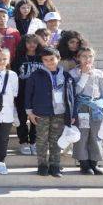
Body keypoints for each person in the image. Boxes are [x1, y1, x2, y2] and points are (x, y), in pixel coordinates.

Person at [25, 47, 76, 178]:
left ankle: (55, 165)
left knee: (56, 140)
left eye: (52, 59)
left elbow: (72, 96)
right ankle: (42, 165)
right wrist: (29, 112)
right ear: (42, 61)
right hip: (41, 112)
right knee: (42, 140)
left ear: (58, 59)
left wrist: (72, 114)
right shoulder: (36, 75)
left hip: (60, 113)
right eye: (45, 60)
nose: (49, 62)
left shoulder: (66, 75)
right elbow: (28, 94)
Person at [70, 47, 103, 175]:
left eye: (90, 56)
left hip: (96, 108)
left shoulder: (98, 73)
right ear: (78, 57)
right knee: (82, 135)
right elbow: (75, 92)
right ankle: (84, 164)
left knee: (97, 135)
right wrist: (83, 75)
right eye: (84, 56)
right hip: (81, 108)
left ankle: (94, 163)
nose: (87, 59)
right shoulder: (74, 73)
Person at [12, 34, 44, 155]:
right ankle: (23, 141)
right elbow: (14, 77)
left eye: (34, 42)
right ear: (24, 44)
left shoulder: (42, 58)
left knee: (36, 118)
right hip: (22, 93)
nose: (32, 45)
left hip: (37, 94)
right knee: (22, 118)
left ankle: (33, 142)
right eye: (29, 42)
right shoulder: (18, 58)